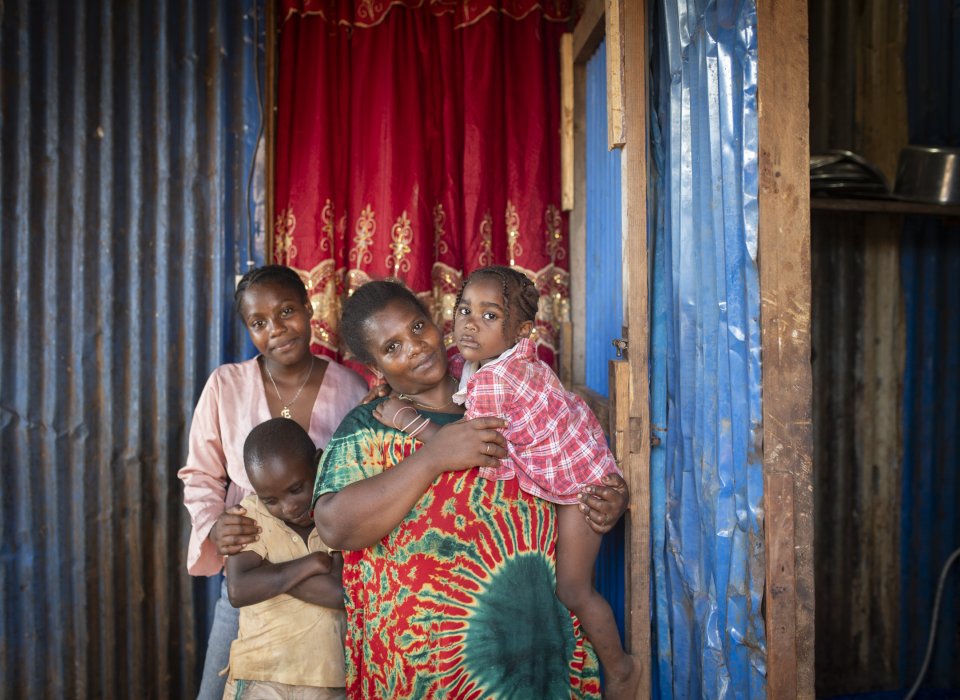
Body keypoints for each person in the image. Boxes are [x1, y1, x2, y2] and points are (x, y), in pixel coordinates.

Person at [312, 279, 631, 699]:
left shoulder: (513, 396)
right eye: (392, 348)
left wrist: (608, 498)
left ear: (434, 321)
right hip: (423, 674)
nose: (415, 347)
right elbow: (334, 526)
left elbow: (567, 463)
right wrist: (433, 456)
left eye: (417, 327)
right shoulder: (371, 425)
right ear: (375, 368)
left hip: (533, 659)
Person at [178, 265, 369, 700]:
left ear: (309, 308)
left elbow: (364, 475)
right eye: (258, 322)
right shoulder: (225, 385)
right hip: (252, 572)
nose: (276, 330)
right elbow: (200, 474)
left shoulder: (351, 388)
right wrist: (213, 524)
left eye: (286, 311)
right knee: (219, 691)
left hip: (328, 578)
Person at [222, 417, 347, 700]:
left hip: (326, 678)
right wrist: (311, 563)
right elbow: (239, 590)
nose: (288, 507)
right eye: (271, 500)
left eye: (296, 489)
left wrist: (266, 573)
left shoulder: (337, 511)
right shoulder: (251, 514)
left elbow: (340, 594)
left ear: (317, 463)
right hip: (259, 675)